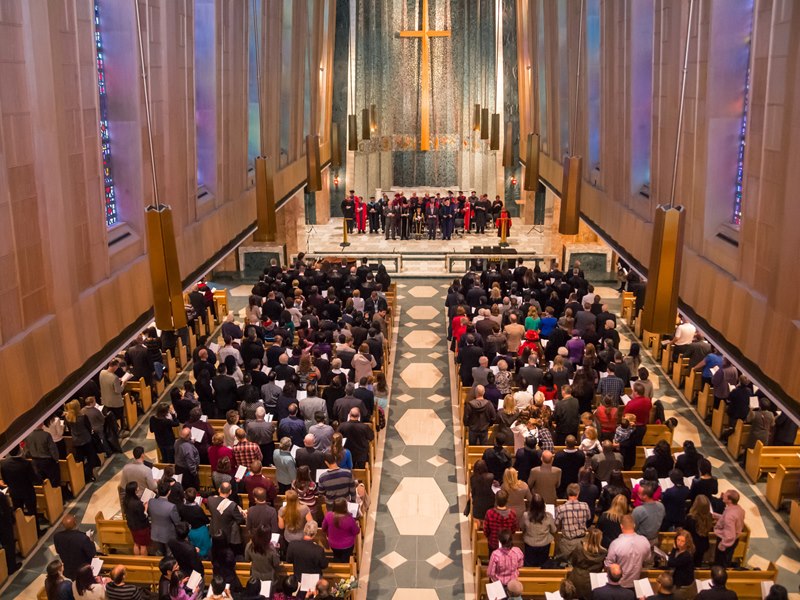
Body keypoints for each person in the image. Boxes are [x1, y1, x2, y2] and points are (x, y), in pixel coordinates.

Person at [605, 514, 652, 589]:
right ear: (634, 525)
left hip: (619, 583)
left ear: (621, 526)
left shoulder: (616, 543)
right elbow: (647, 559)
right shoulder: (644, 541)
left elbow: (608, 564)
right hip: (636, 582)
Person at [567, 527, 608, 600]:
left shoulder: (579, 548)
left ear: (588, 536)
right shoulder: (603, 552)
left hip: (577, 578)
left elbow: (573, 562)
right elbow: (602, 567)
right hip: (592, 581)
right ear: (600, 538)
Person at [53, 513, 97, 581]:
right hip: (83, 571)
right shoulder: (83, 538)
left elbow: (58, 551)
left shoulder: (57, 537)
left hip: (68, 571)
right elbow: (92, 553)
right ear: (75, 523)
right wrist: (91, 541)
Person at [555, 483, 592, 560]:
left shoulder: (561, 508)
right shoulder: (585, 505)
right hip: (582, 542)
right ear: (578, 493)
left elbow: (556, 523)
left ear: (567, 493)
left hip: (567, 543)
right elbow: (589, 518)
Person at [208, 482, 246, 556]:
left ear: (219, 490)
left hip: (214, 530)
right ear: (230, 492)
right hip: (227, 534)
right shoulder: (232, 505)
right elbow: (240, 520)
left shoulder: (210, 500)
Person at [321, 498, 360, 562]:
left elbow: (323, 528)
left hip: (333, 544)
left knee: (336, 556)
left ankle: (338, 566)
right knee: (345, 559)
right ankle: (345, 568)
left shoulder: (328, 515)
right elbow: (356, 531)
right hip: (347, 545)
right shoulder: (349, 519)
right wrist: (357, 525)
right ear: (345, 507)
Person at [713, 490, 745, 567]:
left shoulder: (729, 516)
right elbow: (732, 521)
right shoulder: (739, 509)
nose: (723, 495)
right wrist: (717, 516)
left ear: (729, 500)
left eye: (725, 495)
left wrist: (722, 545)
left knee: (721, 564)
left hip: (726, 542)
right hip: (734, 540)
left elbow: (730, 535)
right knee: (727, 559)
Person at [522, 493, 556, 567]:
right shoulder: (548, 516)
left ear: (531, 505)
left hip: (530, 545)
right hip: (544, 545)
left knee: (529, 565)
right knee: (542, 565)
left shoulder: (525, 516)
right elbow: (554, 530)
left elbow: (522, 528)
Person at [148, 481, 181, 555]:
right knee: (170, 555)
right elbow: (177, 522)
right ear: (169, 492)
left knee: (159, 554)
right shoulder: (171, 506)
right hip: (168, 535)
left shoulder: (151, 501)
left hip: (155, 533)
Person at [122, 481, 151, 556]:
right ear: (134, 490)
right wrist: (145, 508)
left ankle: (137, 560)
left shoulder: (126, 500)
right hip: (141, 527)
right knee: (143, 545)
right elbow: (143, 516)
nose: (138, 488)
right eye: (137, 487)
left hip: (132, 526)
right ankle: (143, 562)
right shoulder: (137, 503)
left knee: (136, 543)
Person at [684, 495, 714, 566]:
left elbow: (686, 531)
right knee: (698, 562)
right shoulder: (709, 516)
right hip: (703, 544)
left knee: (690, 563)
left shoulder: (691, 518)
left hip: (692, 545)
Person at [667, 529, 696, 600]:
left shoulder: (686, 555)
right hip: (678, 581)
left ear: (687, 543)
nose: (679, 543)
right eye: (678, 540)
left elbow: (671, 563)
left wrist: (673, 549)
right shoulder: (680, 550)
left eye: (682, 541)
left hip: (683, 586)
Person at [470, 460, 496, 526]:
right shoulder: (491, 476)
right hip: (489, 504)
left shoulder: (473, 478)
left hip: (477, 505)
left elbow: (473, 492)